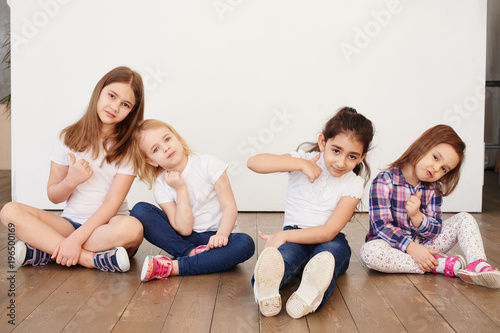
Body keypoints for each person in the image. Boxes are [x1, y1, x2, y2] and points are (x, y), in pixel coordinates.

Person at [0, 66, 145, 273]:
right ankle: (88, 259)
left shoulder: (129, 147)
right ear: (99, 91)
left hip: (106, 229)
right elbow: (54, 196)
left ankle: (47, 250)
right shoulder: (68, 138)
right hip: (69, 224)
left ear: (132, 111)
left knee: (133, 229)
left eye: (125, 104)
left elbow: (112, 204)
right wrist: (71, 180)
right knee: (9, 211)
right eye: (111, 96)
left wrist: (75, 240)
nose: (114, 106)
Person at [247, 107, 374, 319]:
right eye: (336, 150)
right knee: (283, 259)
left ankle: (309, 295)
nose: (341, 162)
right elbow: (254, 162)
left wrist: (283, 235)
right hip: (295, 236)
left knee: (329, 257)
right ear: (322, 142)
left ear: (362, 156)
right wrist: (300, 163)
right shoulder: (302, 160)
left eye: (352, 156)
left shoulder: (354, 183)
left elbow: (328, 231)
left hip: (328, 240)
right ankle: (266, 293)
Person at [360, 125, 500, 289]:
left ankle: (477, 264)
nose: (436, 168)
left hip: (425, 245)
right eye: (435, 157)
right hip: (392, 248)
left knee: (465, 218)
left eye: (443, 169)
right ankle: (439, 264)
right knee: (369, 253)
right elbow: (381, 226)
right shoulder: (384, 181)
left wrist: (417, 217)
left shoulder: (433, 188)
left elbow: (435, 229)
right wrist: (412, 249)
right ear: (422, 145)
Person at [130, 119, 255, 281]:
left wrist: (222, 235)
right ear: (151, 161)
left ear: (176, 138)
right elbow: (184, 229)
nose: (166, 147)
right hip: (185, 240)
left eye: (167, 139)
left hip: (217, 238)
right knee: (140, 210)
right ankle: (190, 254)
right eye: (156, 149)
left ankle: (173, 267)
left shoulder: (208, 164)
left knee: (245, 243)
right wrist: (180, 189)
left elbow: (229, 206)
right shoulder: (161, 186)